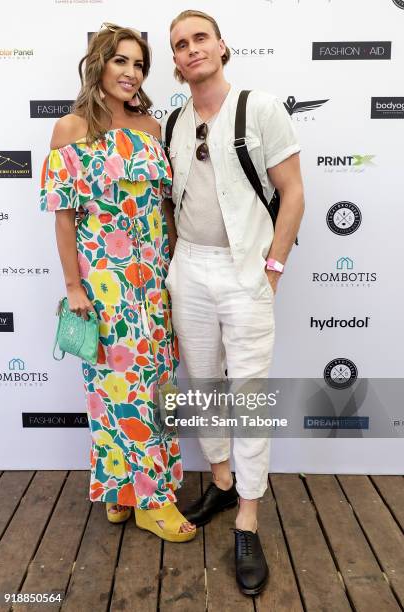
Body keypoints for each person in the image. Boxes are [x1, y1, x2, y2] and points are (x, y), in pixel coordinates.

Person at [162, 10, 304, 593]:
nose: (191, 49)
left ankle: (248, 514)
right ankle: (221, 480)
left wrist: (272, 269)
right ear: (174, 62)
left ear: (221, 46)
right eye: (180, 45)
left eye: (200, 38)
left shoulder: (261, 107)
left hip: (246, 271)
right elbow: (169, 204)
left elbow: (292, 192)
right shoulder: (170, 120)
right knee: (200, 385)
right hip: (188, 269)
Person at [40, 23, 195, 542]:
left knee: (155, 387)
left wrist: (173, 270)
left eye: (140, 65)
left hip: (153, 280)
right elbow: (64, 218)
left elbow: (164, 209)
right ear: (99, 64)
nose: (132, 74)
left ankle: (122, 490)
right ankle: (150, 499)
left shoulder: (152, 129)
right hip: (103, 283)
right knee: (116, 390)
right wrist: (73, 287)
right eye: (121, 62)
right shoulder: (71, 128)